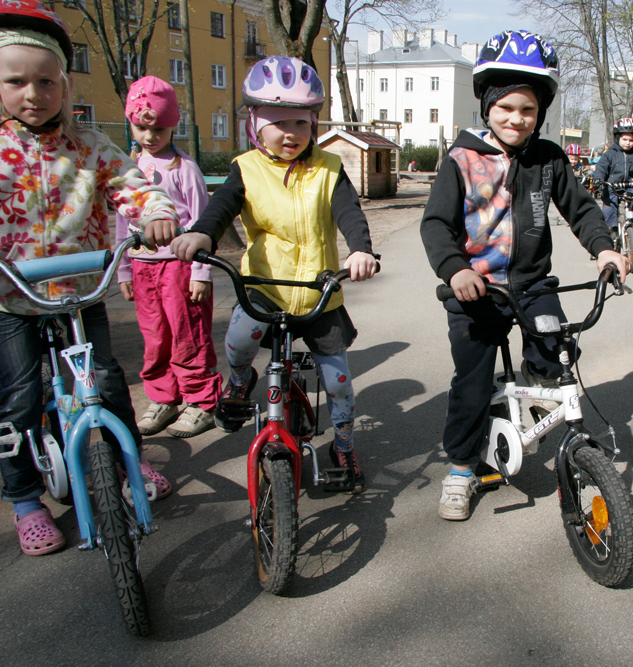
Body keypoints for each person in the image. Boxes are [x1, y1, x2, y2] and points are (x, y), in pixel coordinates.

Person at [420, 30, 628, 521]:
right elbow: (435, 224)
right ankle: (461, 468)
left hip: (533, 286)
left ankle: (533, 397)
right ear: (488, 106)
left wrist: (605, 250)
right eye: (507, 108)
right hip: (477, 288)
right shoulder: (461, 159)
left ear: (541, 113)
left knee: (553, 350)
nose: (517, 119)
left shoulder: (549, 159)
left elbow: (582, 211)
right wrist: (455, 270)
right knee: (470, 383)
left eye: (528, 110)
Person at [0, 0, 178, 555]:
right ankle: (25, 499)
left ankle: (129, 463)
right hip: (13, 297)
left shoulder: (86, 145)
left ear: (65, 85)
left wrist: (153, 211)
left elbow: (129, 180)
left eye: (47, 81)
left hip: (80, 293)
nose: (34, 93)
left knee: (104, 380)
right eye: (16, 81)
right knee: (19, 400)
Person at [171, 56, 378, 493]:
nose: (291, 134)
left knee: (338, 382)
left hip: (318, 292)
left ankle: (342, 445)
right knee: (238, 343)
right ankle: (242, 378)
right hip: (264, 288)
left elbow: (349, 213)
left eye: (301, 124)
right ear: (255, 123)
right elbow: (220, 207)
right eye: (278, 122)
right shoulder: (245, 168)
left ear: (313, 125)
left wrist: (361, 249)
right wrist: (201, 236)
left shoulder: (330, 168)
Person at [116, 76, 222, 439]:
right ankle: (163, 397)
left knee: (187, 334)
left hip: (178, 268)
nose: (150, 136)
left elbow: (202, 225)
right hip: (143, 267)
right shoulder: (125, 171)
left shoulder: (184, 168)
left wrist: (201, 273)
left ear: (173, 124)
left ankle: (201, 400)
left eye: (159, 128)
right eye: (142, 127)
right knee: (155, 337)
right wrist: (124, 272)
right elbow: (121, 221)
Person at [591, 117, 633, 230]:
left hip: (628, 185)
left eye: (631, 140)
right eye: (624, 139)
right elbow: (602, 167)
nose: (628, 143)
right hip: (612, 186)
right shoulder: (610, 154)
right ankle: (611, 231)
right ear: (617, 138)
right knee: (609, 208)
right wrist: (599, 179)